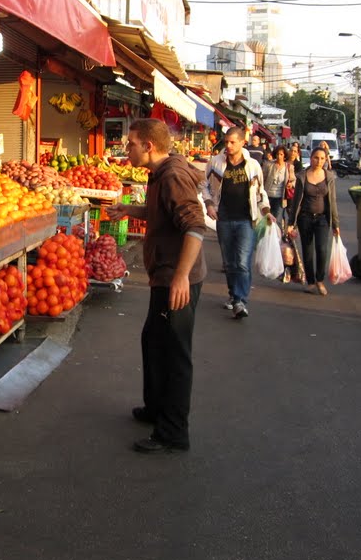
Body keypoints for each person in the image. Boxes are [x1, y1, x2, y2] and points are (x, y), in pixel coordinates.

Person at [105, 118, 208, 455]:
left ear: (148, 146)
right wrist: (130, 210)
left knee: (174, 353)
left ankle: (173, 432)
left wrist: (181, 276)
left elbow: (195, 226)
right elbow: (166, 214)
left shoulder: (174, 176)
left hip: (176, 279)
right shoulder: (161, 174)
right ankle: (156, 408)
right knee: (153, 340)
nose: (127, 148)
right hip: (164, 274)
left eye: (131, 143)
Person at [202, 125, 273, 319]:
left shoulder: (252, 166)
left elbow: (260, 192)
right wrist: (208, 204)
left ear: (243, 142)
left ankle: (240, 300)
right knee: (229, 261)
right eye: (227, 142)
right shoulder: (216, 162)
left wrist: (266, 211)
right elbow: (205, 184)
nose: (229, 145)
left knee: (242, 261)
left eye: (233, 142)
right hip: (223, 218)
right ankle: (234, 294)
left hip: (246, 220)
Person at [288, 147, 340, 296]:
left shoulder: (329, 177)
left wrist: (336, 224)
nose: (319, 161)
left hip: (322, 218)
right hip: (305, 218)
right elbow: (296, 201)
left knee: (322, 249)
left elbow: (333, 201)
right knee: (308, 250)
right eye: (316, 158)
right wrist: (291, 223)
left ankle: (320, 280)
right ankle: (311, 282)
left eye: (322, 158)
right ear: (310, 158)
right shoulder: (302, 176)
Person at [262, 145, 293, 225]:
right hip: (268, 196)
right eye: (277, 154)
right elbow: (262, 178)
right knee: (266, 219)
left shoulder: (289, 167)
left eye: (281, 154)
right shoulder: (269, 165)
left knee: (277, 220)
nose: (279, 156)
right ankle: (267, 236)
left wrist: (291, 183)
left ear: (285, 155)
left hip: (280, 197)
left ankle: (278, 236)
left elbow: (294, 180)